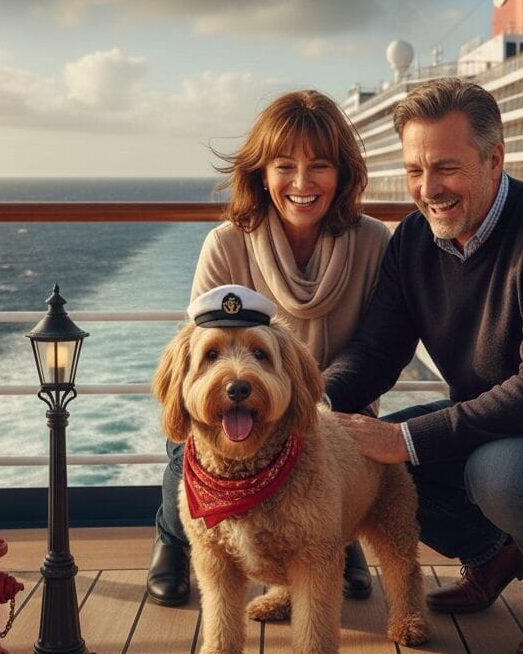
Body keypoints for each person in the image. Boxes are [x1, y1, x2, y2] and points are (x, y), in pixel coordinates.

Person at [324, 78, 523, 654]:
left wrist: (402, 437)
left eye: (446, 168)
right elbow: (377, 351)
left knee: (500, 474)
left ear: (494, 159)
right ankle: (494, 555)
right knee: (384, 471)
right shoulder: (414, 241)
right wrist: (314, 406)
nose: (428, 190)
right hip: (497, 421)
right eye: (415, 171)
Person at [146, 89, 392, 606]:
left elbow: (379, 345)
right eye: (285, 166)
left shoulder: (374, 243)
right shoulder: (225, 244)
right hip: (232, 406)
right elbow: (200, 355)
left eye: (319, 166)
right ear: (261, 173)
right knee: (190, 444)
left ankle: (338, 539)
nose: (302, 184)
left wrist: (311, 401)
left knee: (329, 461)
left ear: (342, 174)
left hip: (334, 406)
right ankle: (172, 542)